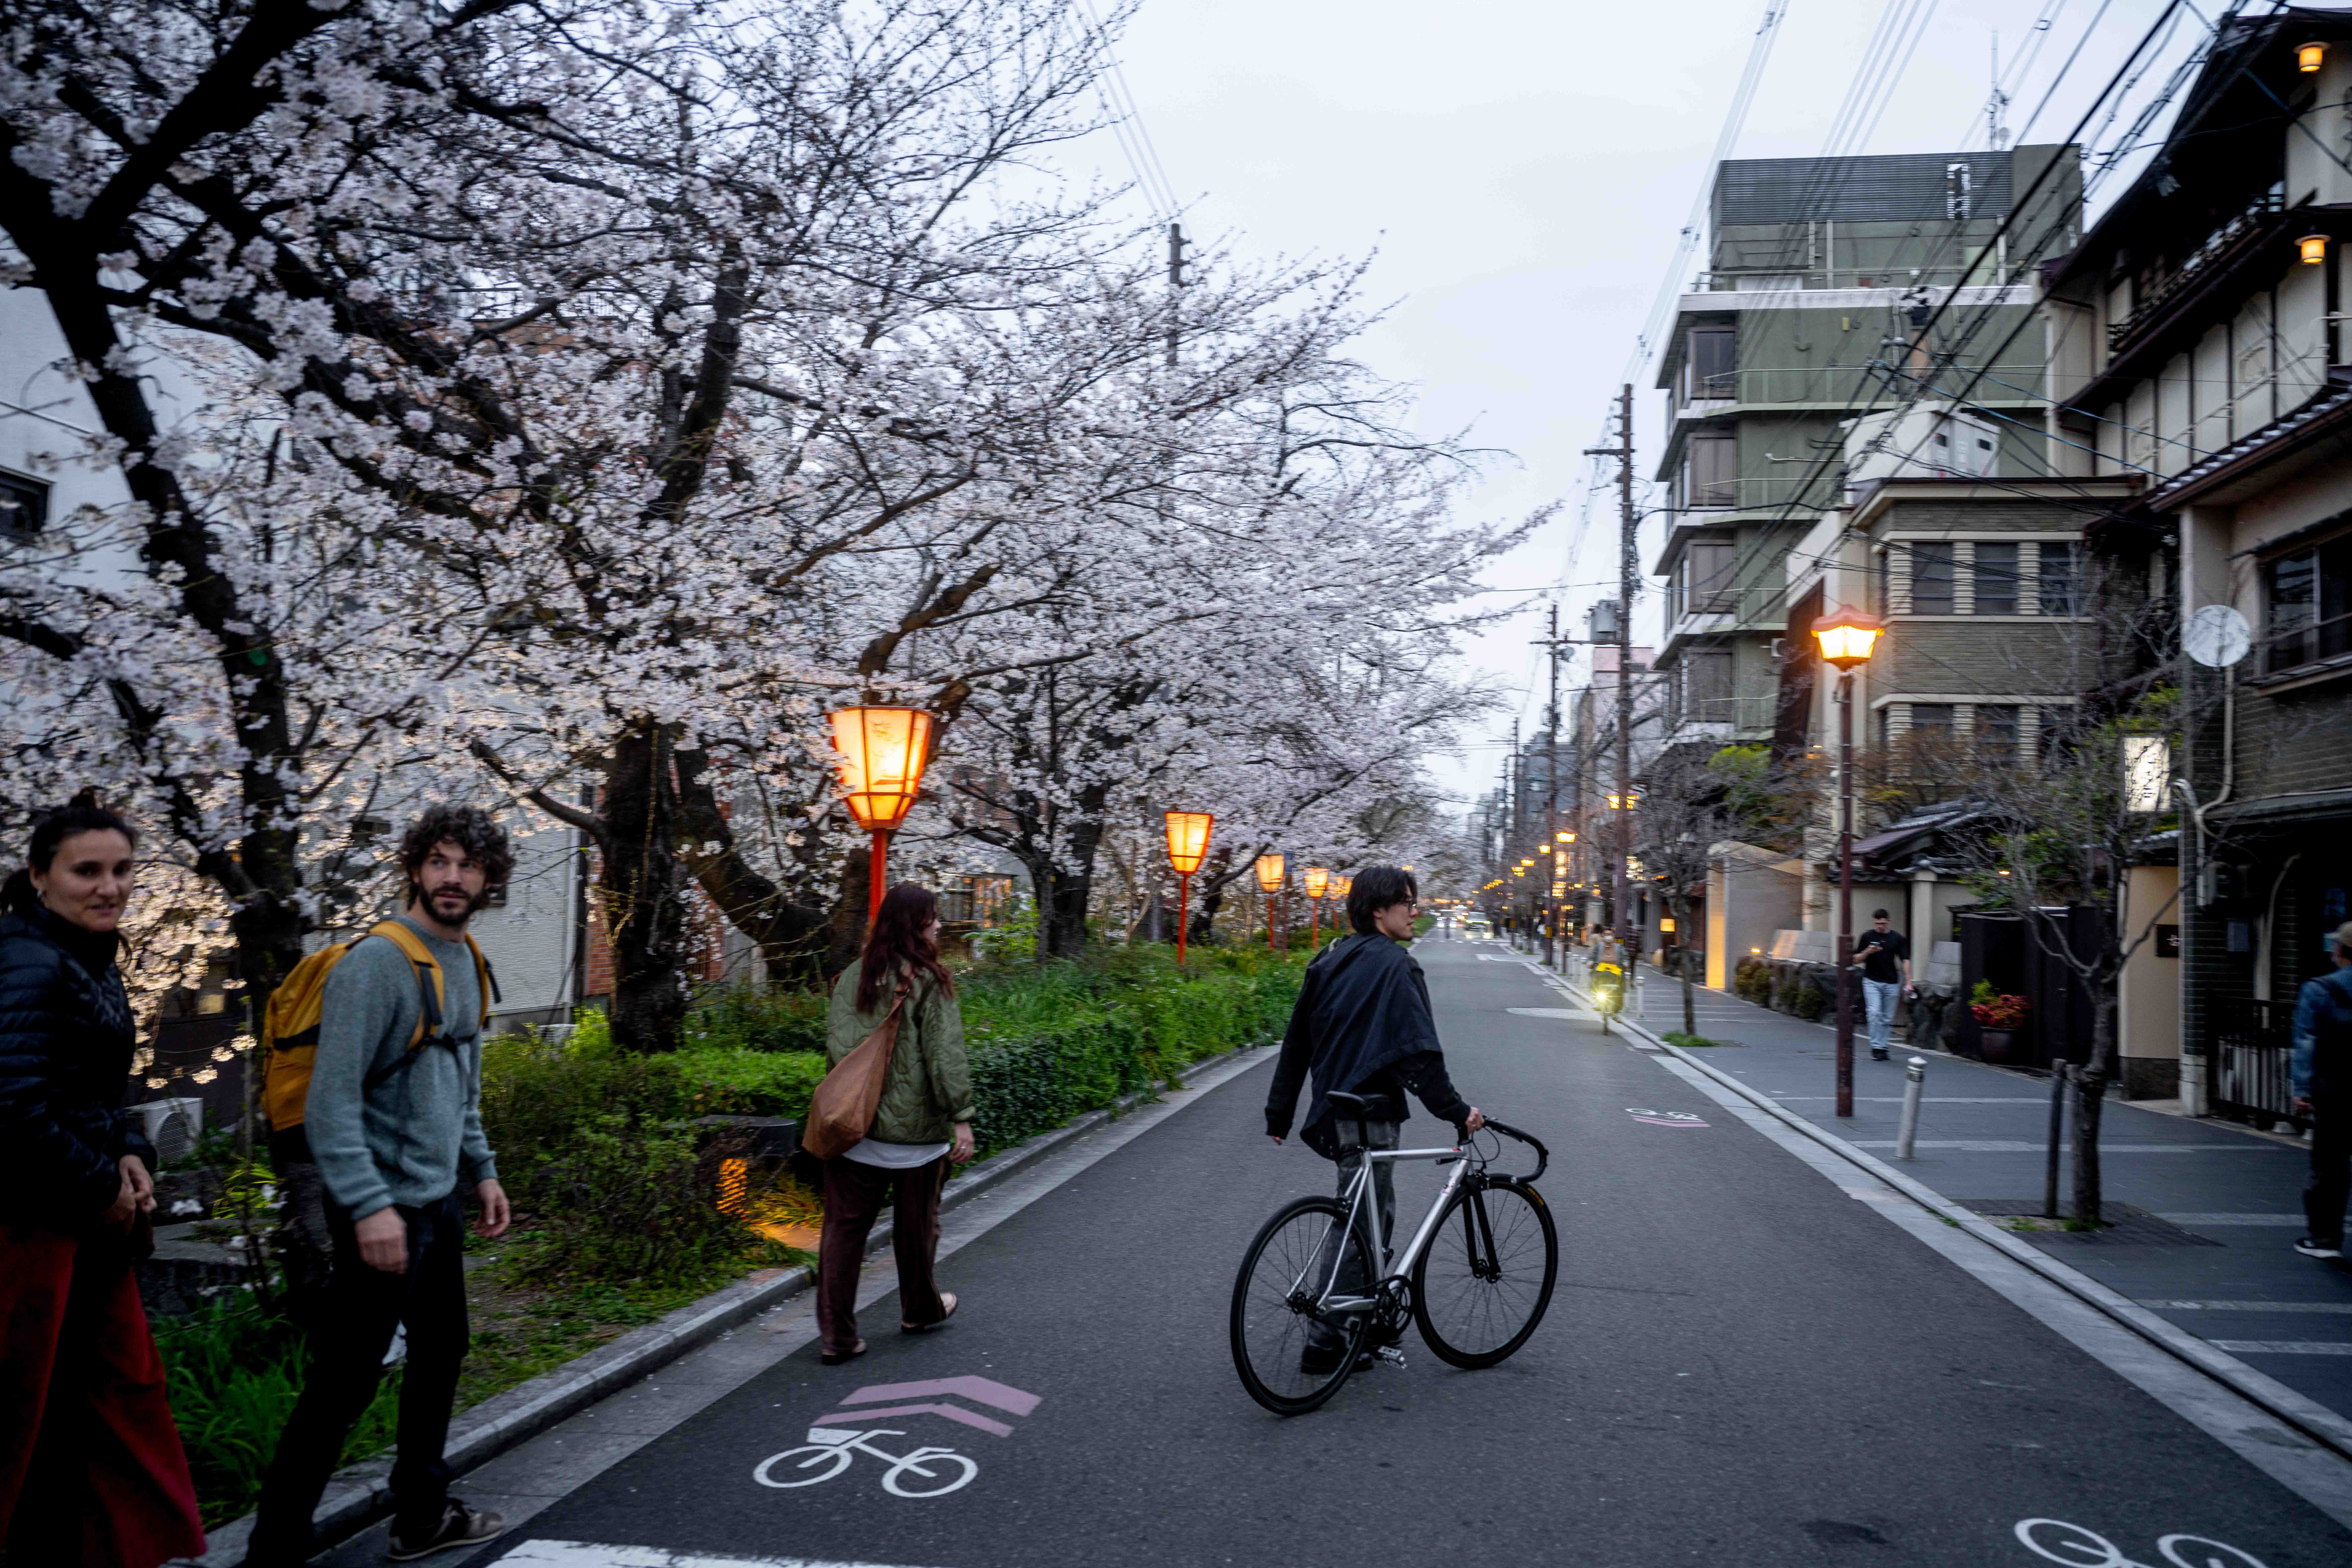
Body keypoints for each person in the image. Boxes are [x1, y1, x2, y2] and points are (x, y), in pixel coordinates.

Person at [243, 806, 513, 1566]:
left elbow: (462, 1084)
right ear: (416, 869)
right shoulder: (377, 965)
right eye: (439, 862)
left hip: (436, 1199)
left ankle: (421, 1515)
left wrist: (483, 1170)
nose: (452, 878)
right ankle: (275, 1548)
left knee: (442, 1351)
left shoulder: (466, 961)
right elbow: (331, 1103)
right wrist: (368, 1207)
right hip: (382, 1206)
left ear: (490, 877)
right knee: (346, 1382)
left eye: (467, 865)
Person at [0, 803, 207, 1567]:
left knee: (100, 1405)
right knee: (29, 1416)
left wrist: (127, 1151)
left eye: (122, 870)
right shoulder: (25, 958)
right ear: (39, 875)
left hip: (78, 1222)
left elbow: (89, 1089)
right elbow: (12, 1105)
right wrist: (100, 1182)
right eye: (87, 870)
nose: (109, 887)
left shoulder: (88, 954)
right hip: (30, 1227)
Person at [1264, 865, 1485, 1373]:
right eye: (1407, 902)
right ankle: (1326, 1338)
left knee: (1370, 1215)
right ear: (1378, 910)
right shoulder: (1396, 966)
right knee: (1362, 1221)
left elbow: (1296, 1041)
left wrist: (1280, 1111)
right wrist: (1457, 1112)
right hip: (1373, 1111)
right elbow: (1419, 1056)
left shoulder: (1330, 957)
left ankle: (1364, 1328)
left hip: (1336, 1108)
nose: (1415, 911)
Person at [817, 883, 975, 1366]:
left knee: (843, 1233)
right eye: (933, 918)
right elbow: (944, 1057)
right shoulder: (929, 979)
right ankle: (918, 1310)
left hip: (854, 1129)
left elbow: (836, 1049)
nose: (940, 925)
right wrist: (961, 1118)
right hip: (915, 1140)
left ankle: (838, 1339)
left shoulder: (850, 978)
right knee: (917, 1229)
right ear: (915, 924)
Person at [2289, 921, 2352, 1263]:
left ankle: (2325, 1239)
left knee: (2330, 1167)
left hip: (2335, 1092)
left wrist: (2303, 1089)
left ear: (2340, 951)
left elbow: (2306, 1043)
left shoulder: (2319, 990)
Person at [1855, 909, 1913, 1063]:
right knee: (1874, 1014)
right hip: (1871, 981)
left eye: (1883, 923)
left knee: (1887, 1018)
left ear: (1888, 921)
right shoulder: (1867, 937)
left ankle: (1883, 1046)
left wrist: (1909, 982)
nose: (1880, 926)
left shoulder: (1897, 938)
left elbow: (1906, 960)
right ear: (1874, 922)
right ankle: (1876, 1047)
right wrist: (1868, 951)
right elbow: (1856, 959)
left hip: (1892, 982)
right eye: (1877, 923)